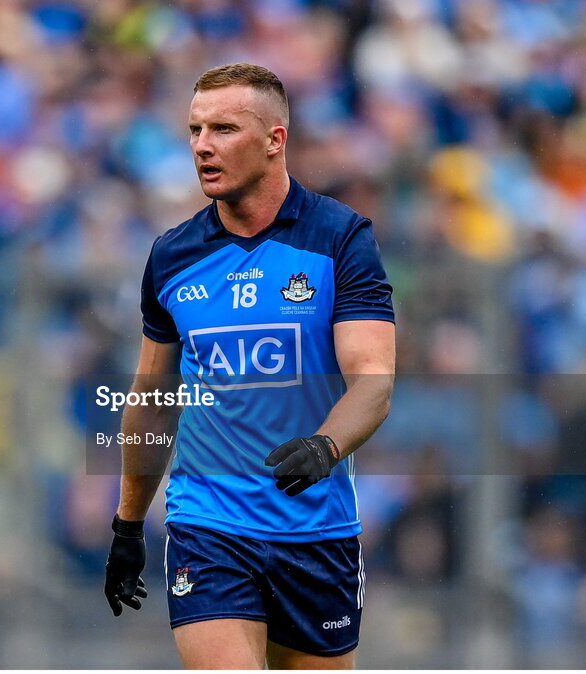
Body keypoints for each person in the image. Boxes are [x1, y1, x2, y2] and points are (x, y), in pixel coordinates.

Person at [103, 63, 396, 669]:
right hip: (208, 527)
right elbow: (151, 400)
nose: (203, 146)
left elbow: (373, 380)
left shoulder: (340, 238)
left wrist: (324, 447)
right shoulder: (172, 256)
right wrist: (128, 525)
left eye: (224, 129)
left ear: (275, 139)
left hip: (318, 532)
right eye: (194, 129)